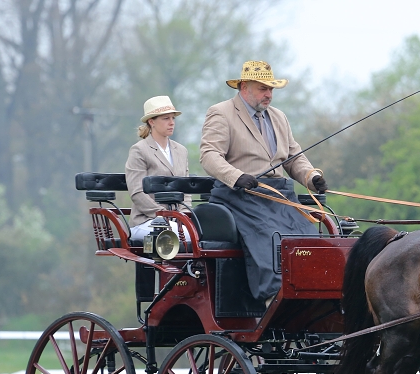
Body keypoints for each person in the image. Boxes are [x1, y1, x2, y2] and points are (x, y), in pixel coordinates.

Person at [200, 60, 329, 303]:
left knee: (309, 236)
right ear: (244, 87)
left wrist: (312, 178)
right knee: (273, 238)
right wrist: (236, 177)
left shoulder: (279, 117)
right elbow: (209, 156)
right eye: (263, 88)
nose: (269, 94)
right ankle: (274, 299)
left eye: (271, 89)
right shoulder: (221, 113)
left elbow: (293, 157)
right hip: (239, 197)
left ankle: (312, 294)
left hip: (280, 196)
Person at [125, 96, 191, 242]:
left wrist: (184, 215)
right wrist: (164, 215)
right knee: (182, 235)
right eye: (166, 118)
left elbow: (186, 191)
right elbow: (137, 193)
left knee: (197, 233)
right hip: (146, 221)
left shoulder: (181, 151)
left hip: (177, 222)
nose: (172, 123)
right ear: (151, 121)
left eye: (173, 118)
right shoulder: (139, 150)